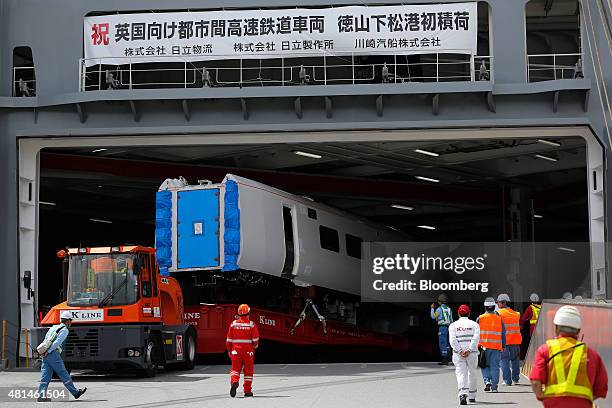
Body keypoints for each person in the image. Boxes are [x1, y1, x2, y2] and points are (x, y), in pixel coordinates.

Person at [529, 305, 608, 407]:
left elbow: (536, 382)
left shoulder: (545, 350)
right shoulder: (592, 354)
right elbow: (601, 387)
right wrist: (585, 399)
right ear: (578, 331)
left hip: (554, 404)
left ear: (556, 328)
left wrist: (542, 396)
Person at [37, 310, 87, 402]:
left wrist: (45, 351)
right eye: (70, 321)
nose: (71, 323)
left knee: (45, 376)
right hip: (53, 353)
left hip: (45, 353)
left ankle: (41, 395)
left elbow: (46, 339)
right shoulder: (64, 330)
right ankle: (75, 392)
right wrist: (50, 351)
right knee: (63, 373)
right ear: (67, 321)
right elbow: (57, 342)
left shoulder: (53, 327)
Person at [226, 304, 260, 398]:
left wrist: (229, 350)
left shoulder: (233, 324)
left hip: (235, 351)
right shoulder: (251, 325)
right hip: (248, 352)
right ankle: (247, 391)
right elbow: (255, 339)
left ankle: (234, 381)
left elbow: (229, 339)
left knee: (235, 369)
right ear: (248, 313)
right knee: (248, 371)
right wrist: (255, 346)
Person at [449, 304, 480, 405]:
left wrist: (460, 351)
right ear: (469, 313)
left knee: (461, 373)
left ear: (458, 313)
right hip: (472, 354)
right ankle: (472, 395)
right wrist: (469, 350)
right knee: (472, 373)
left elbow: (452, 340)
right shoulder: (475, 325)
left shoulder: (453, 325)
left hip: (458, 355)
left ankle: (462, 393)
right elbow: (476, 339)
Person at [477, 297, 506, 393]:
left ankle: (487, 381)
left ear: (485, 307)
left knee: (484, 365)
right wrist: (504, 345)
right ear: (494, 307)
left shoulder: (480, 318)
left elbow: (475, 333)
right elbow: (503, 333)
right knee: (495, 366)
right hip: (496, 347)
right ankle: (494, 387)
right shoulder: (499, 319)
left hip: (483, 347)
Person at [497, 293, 522, 386]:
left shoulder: (499, 313)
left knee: (504, 360)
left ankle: (507, 380)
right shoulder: (516, 314)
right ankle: (516, 379)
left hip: (504, 341)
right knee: (515, 360)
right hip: (515, 340)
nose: (497, 304)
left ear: (503, 303)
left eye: (498, 302)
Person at [431, 294, 453, 365]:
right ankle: (450, 357)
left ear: (440, 302)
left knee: (442, 342)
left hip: (442, 328)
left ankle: (444, 360)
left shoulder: (439, 309)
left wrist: (432, 308)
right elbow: (451, 320)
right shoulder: (449, 309)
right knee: (448, 343)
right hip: (449, 328)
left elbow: (433, 317)